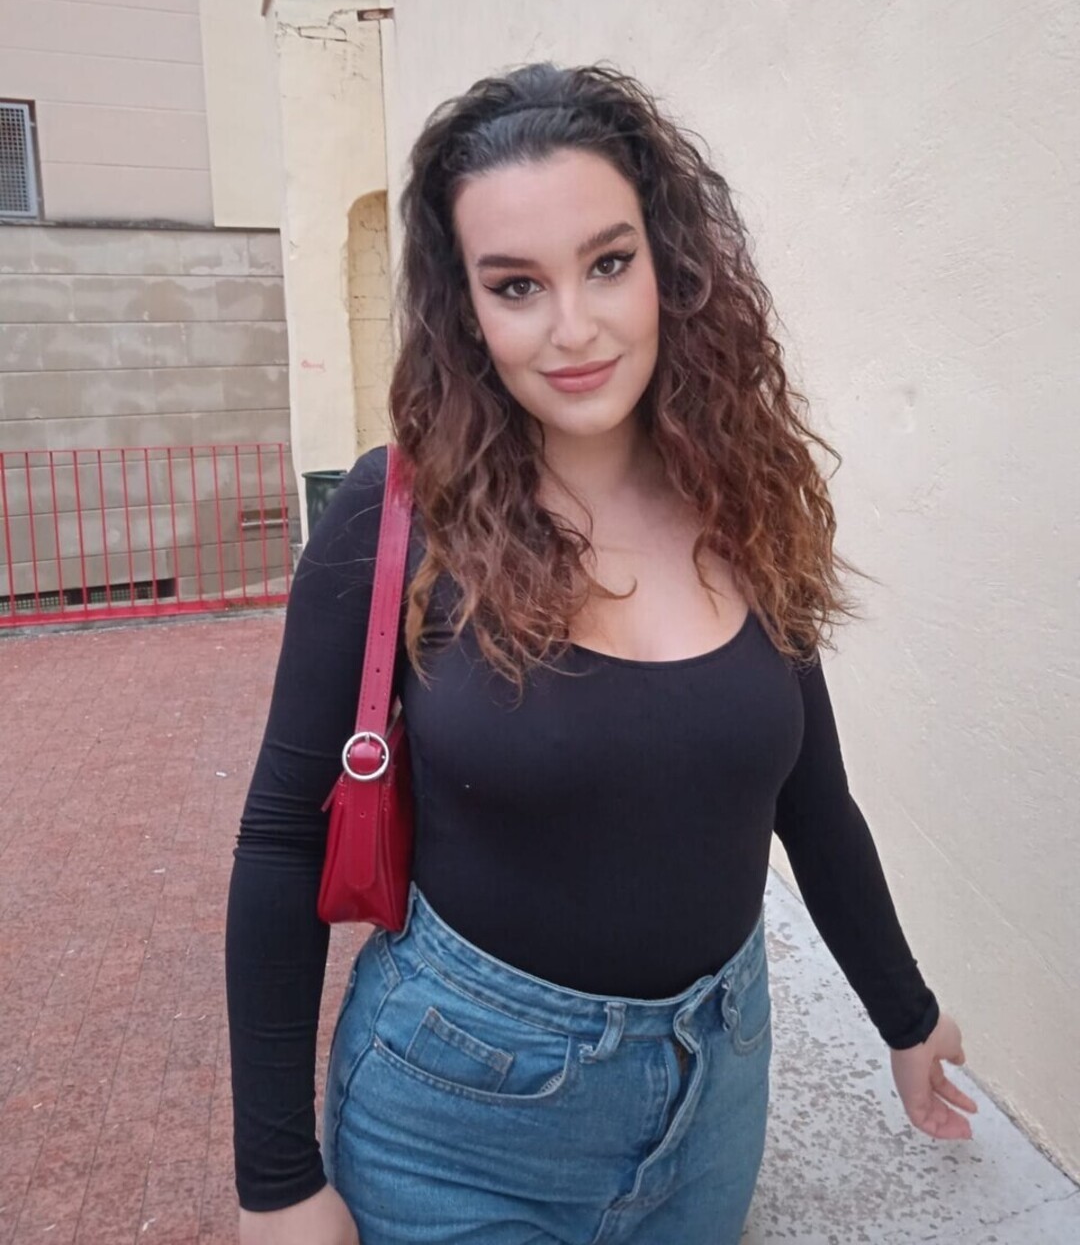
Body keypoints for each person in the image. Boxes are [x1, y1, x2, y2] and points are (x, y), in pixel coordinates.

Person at [226, 62, 976, 1245]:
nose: (572, 328)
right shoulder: (397, 517)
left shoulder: (741, 501)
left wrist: (906, 1014)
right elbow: (281, 841)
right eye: (516, 285)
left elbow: (811, 798)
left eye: (609, 264)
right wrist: (274, 1179)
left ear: (669, 266)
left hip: (716, 1088)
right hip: (458, 1116)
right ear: (466, 308)